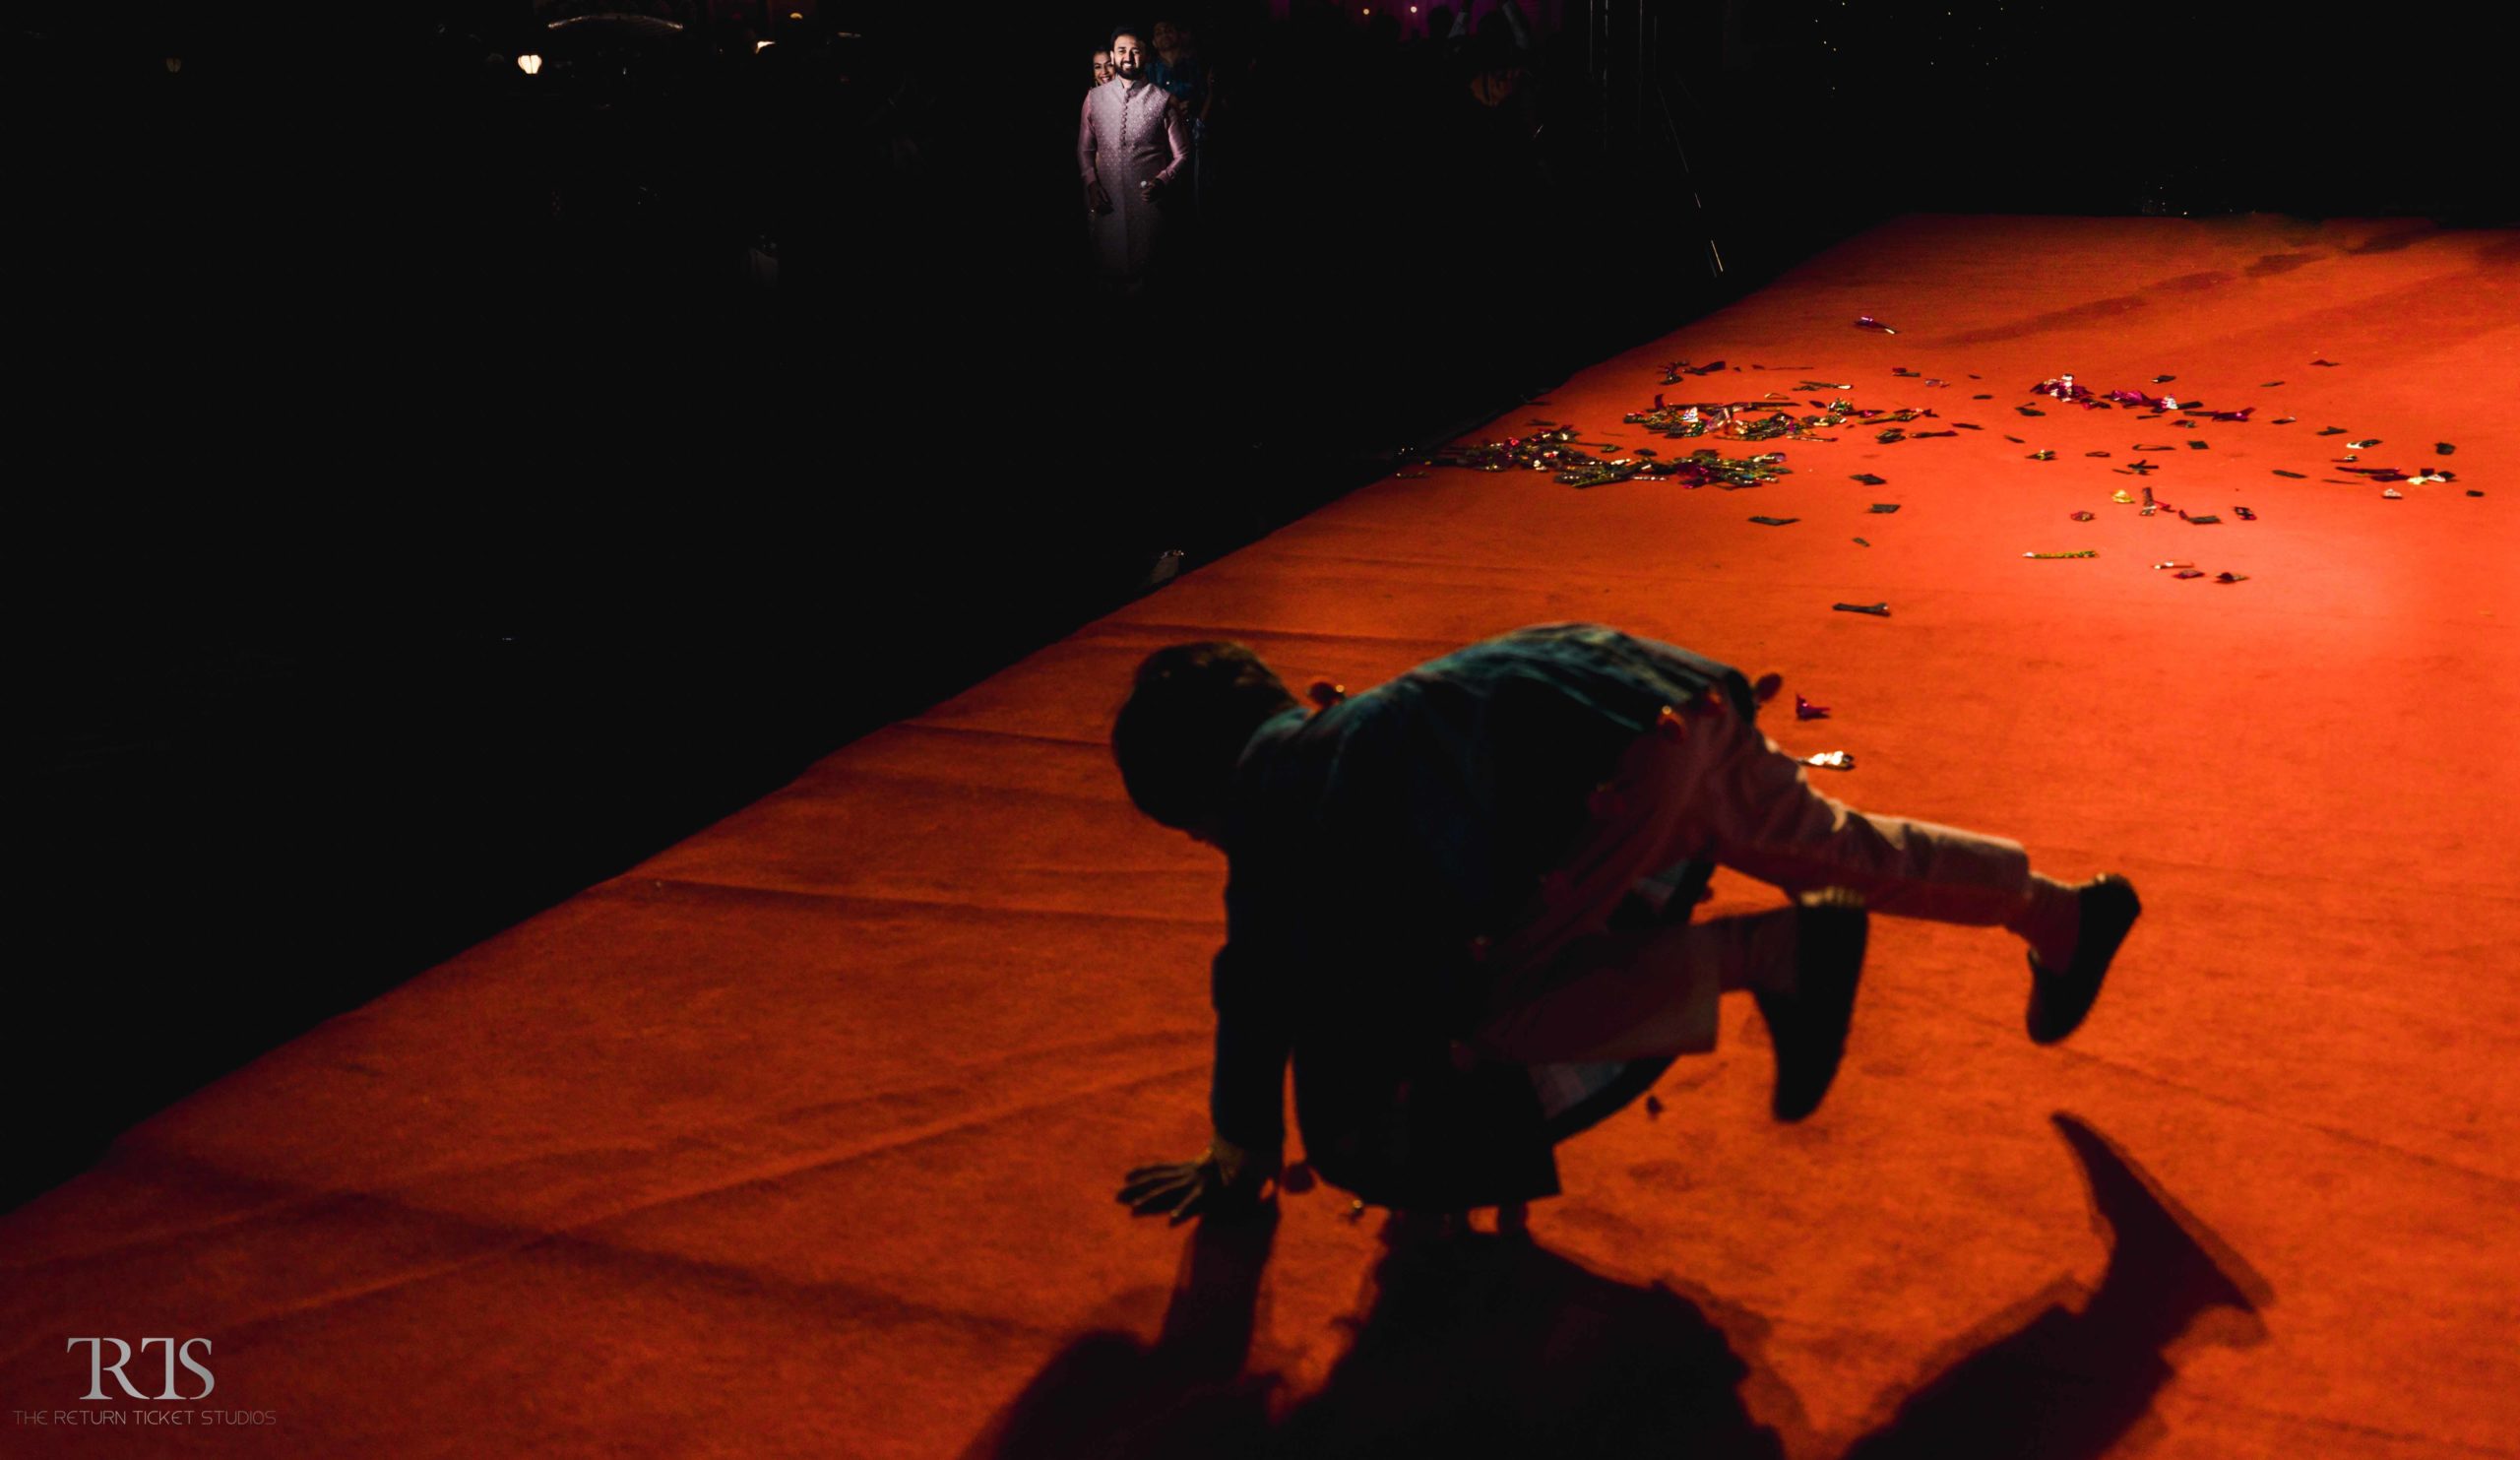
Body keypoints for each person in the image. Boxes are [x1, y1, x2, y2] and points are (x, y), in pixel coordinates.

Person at [1112, 624, 2140, 1223]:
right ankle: (2059, 914)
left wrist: (1239, 1143)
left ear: (1198, 802)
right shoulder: (1351, 728)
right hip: (1670, 700)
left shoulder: (1275, 800)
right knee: (1846, 849)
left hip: (1615, 780)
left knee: (1487, 1012)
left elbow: (1253, 983)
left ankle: (1772, 955)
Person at [1078, 26, 1190, 294]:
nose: (1128, 56)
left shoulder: (1163, 100)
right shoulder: (1094, 98)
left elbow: (1183, 154)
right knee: (1109, 271)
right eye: (1121, 51)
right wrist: (1092, 183)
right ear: (1114, 57)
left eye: (1135, 50)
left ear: (1145, 56)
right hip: (1107, 203)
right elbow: (1084, 150)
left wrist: (1163, 180)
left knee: (1150, 275)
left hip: (1149, 206)